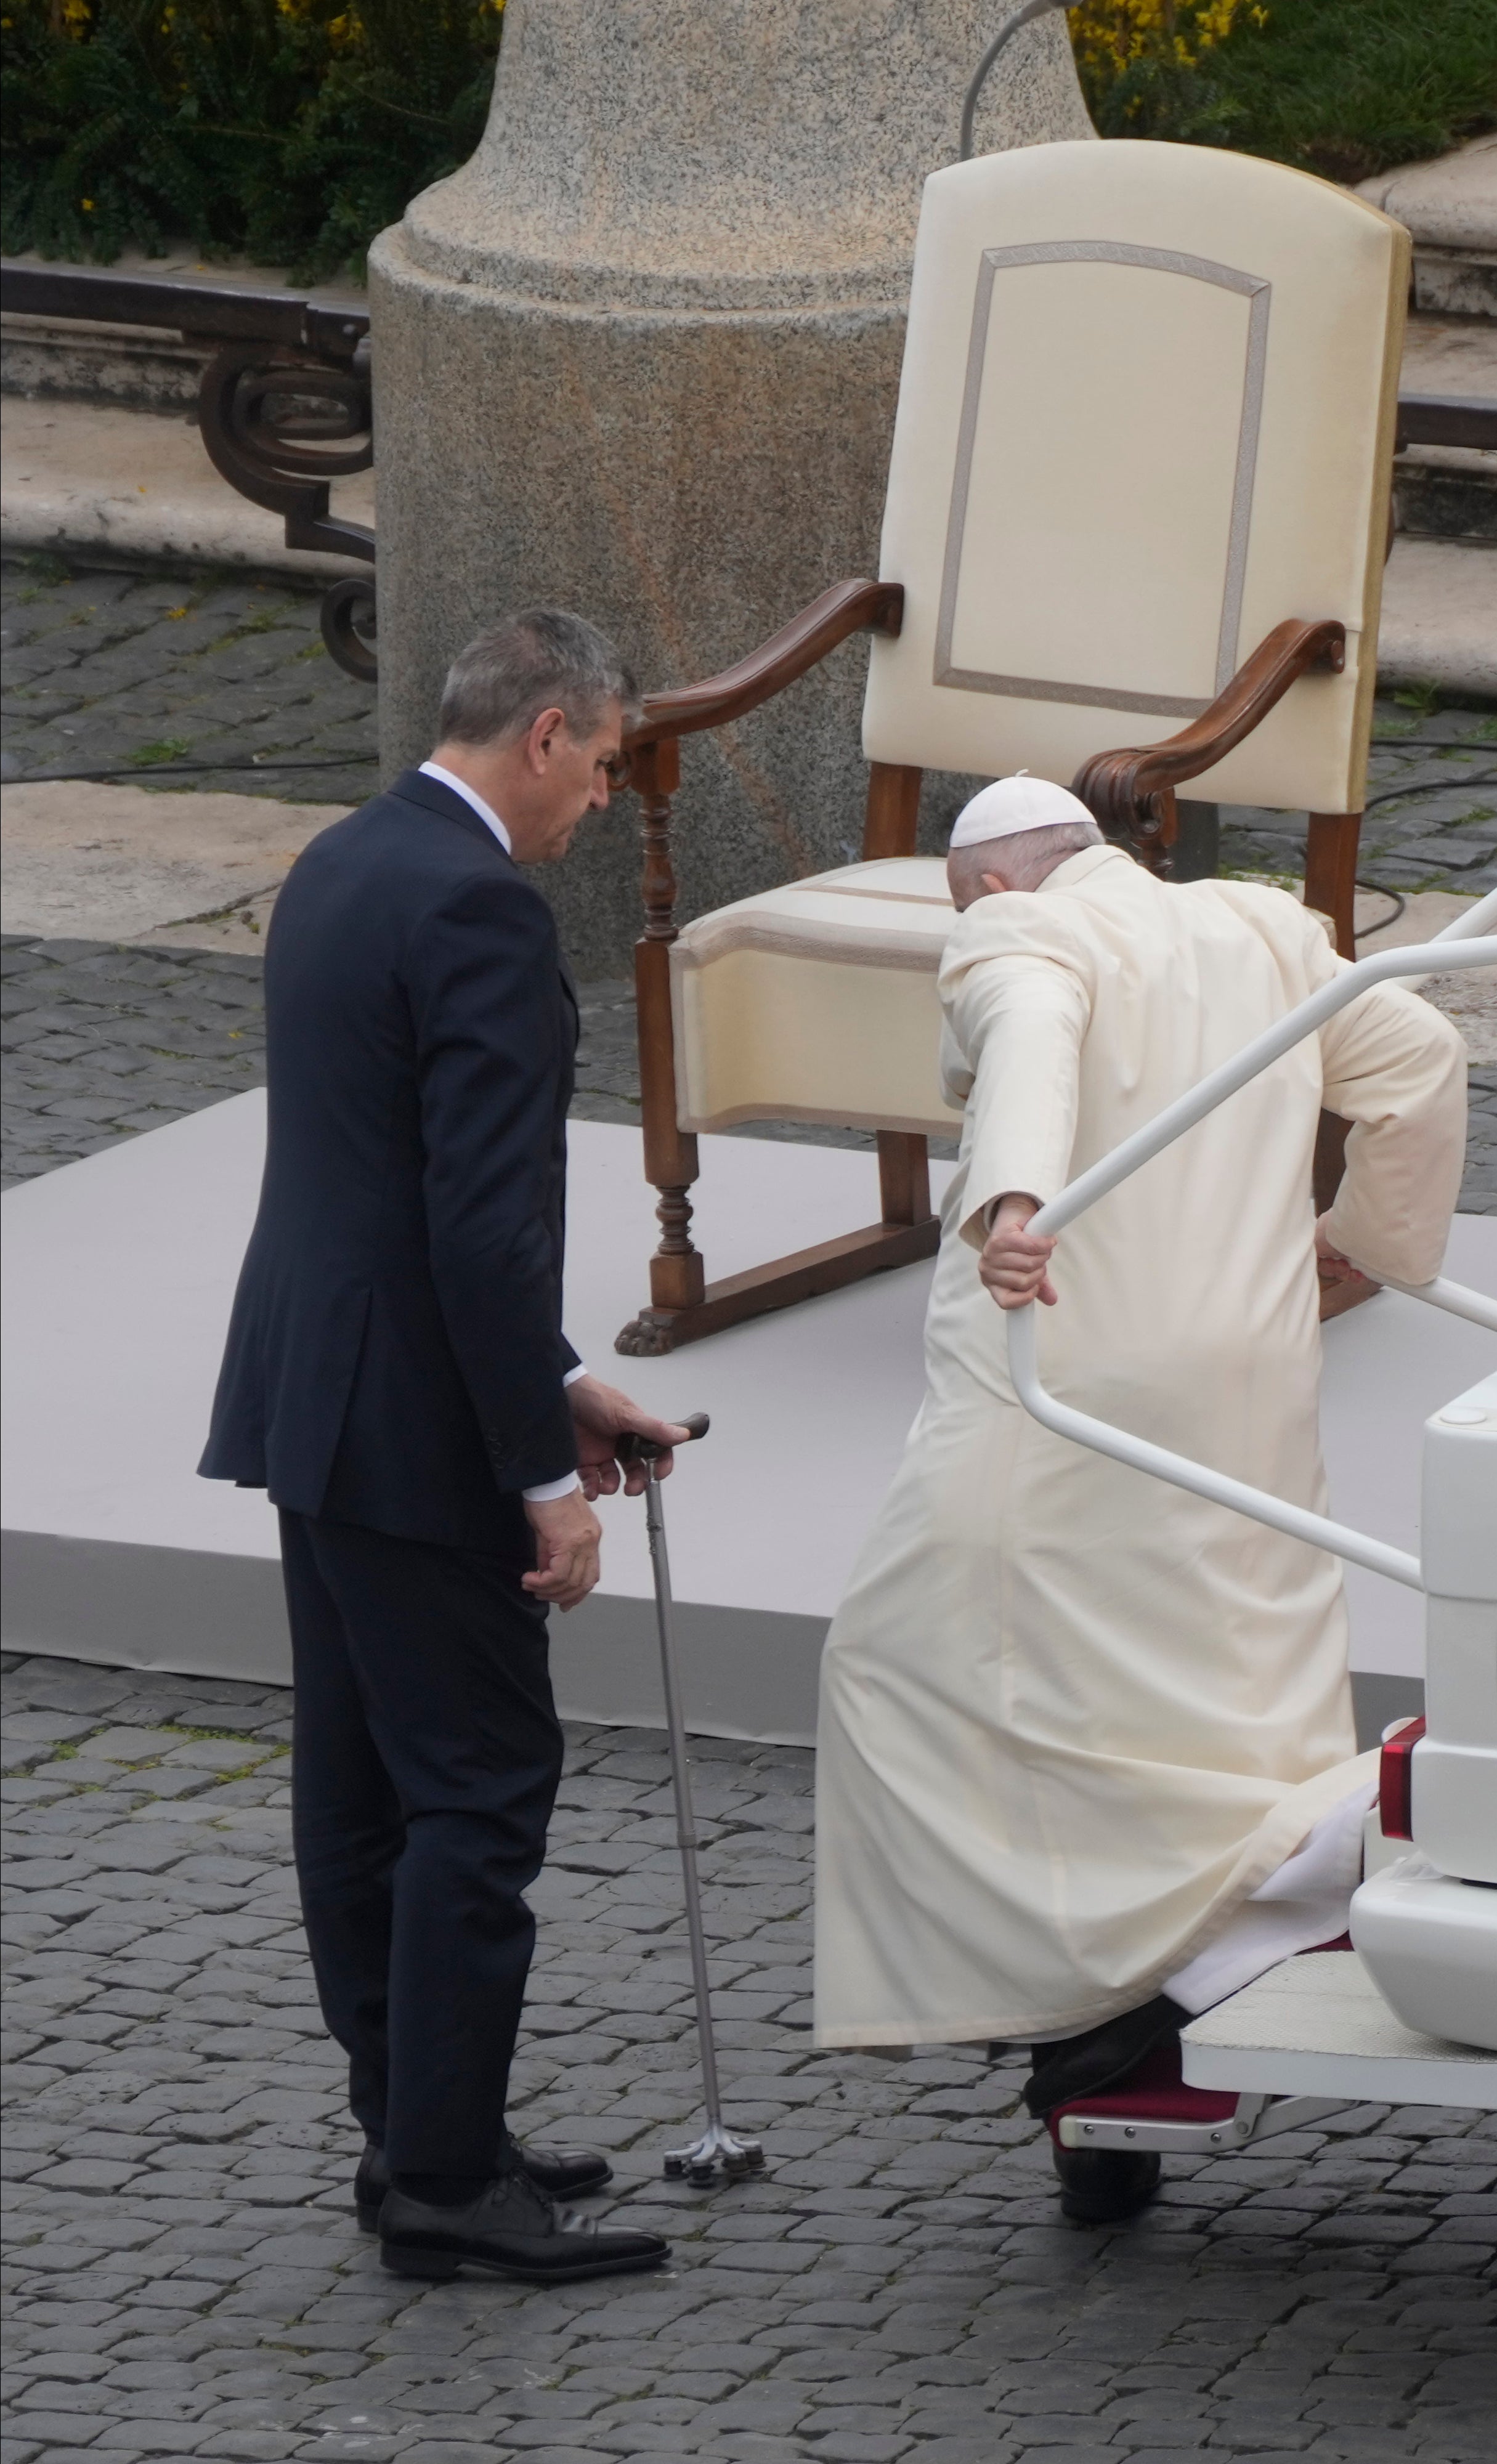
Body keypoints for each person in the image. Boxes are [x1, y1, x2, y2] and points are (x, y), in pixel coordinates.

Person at [811, 775, 1466, 2224]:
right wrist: (1363, 1245)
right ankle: (1210, 1959)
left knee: (905, 1660)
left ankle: (1102, 1992)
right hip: (1250, 1358)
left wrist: (1014, 1206)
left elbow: (1035, 1038)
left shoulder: (1015, 936)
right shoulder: (1258, 925)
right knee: (1234, 1662)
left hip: (1071, 1369)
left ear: (990, 888)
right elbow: (1417, 1059)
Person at [200, 608, 696, 2286]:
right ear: (547, 734)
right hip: (415, 1428)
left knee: (358, 1792)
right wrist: (541, 1481)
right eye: (610, 764)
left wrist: (558, 1385)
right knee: (480, 1796)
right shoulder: (482, 908)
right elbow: (483, 1231)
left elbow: (393, 1189)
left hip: (315, 1394)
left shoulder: (348, 857)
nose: (605, 803)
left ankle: (424, 2134)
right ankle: (442, 2186)